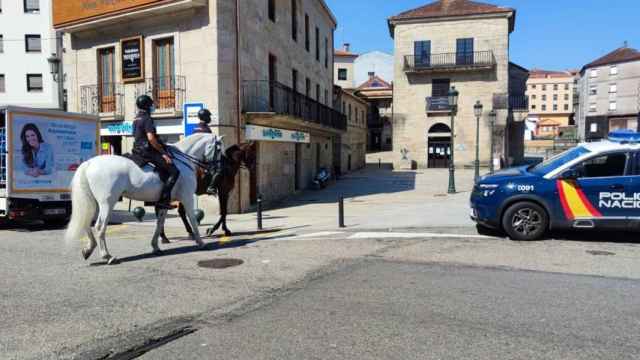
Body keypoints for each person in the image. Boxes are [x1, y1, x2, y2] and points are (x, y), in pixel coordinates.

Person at [132, 95, 179, 210]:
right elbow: (151, 138)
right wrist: (163, 152)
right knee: (174, 171)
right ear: (147, 106)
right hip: (148, 151)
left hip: (137, 150)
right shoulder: (147, 118)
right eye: (151, 105)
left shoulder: (135, 119)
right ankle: (163, 200)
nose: (152, 107)